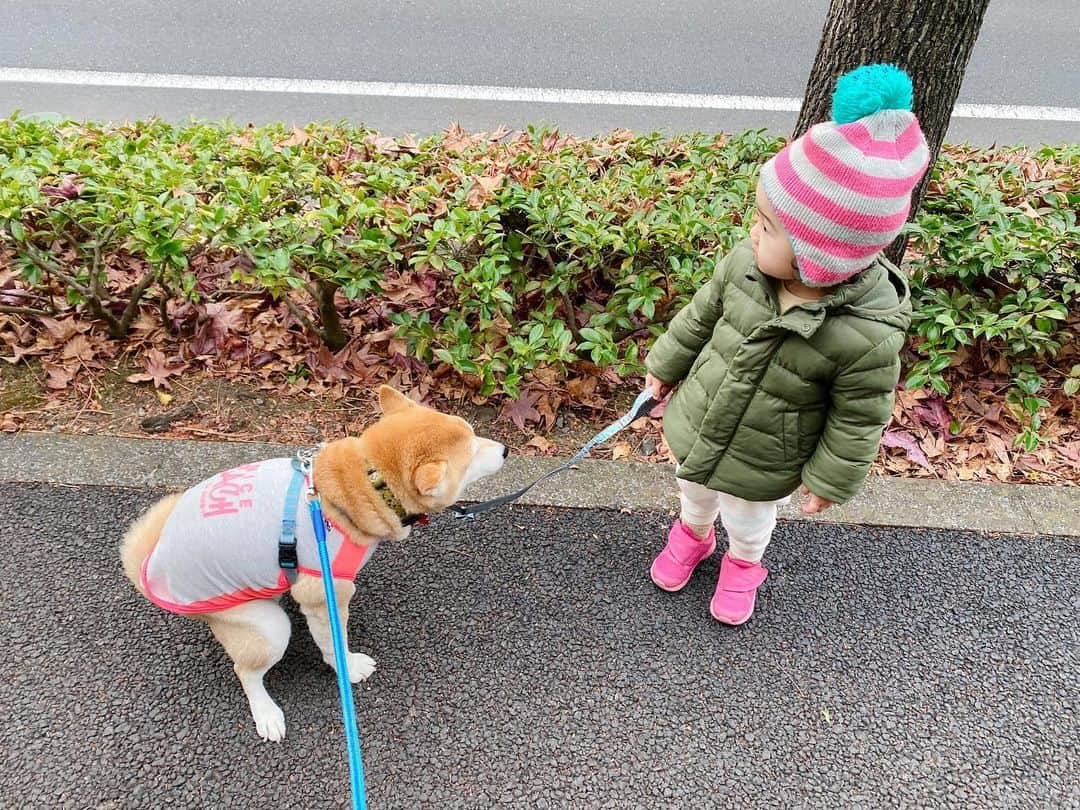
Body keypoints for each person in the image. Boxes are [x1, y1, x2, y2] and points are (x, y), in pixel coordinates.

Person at [644, 64, 929, 625]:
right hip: (702, 417)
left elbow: (858, 418)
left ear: (821, 257)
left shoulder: (865, 334)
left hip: (766, 453)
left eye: (768, 227)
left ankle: (743, 564)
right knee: (692, 489)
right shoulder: (746, 266)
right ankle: (694, 535)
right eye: (758, 218)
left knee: (748, 518)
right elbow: (699, 317)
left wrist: (829, 478)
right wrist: (665, 366)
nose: (753, 232)